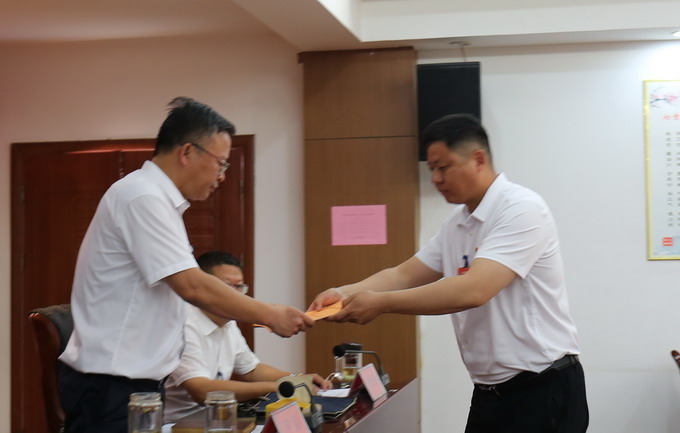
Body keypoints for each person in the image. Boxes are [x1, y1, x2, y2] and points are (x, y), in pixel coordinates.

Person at [309, 114, 589, 432]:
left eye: (443, 167)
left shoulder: (521, 208)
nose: (436, 179)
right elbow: (403, 274)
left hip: (542, 388)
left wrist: (381, 303)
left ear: (478, 159)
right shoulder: (457, 223)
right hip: (490, 394)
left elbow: (474, 290)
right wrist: (345, 292)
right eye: (431, 169)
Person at [58, 97, 314, 433]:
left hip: (134, 383)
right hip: (111, 384)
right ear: (187, 152)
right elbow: (192, 285)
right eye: (221, 163)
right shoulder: (143, 197)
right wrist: (269, 315)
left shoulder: (159, 201)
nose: (222, 175)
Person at [164, 251, 331, 422]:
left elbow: (251, 370)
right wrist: (278, 386)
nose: (235, 295)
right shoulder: (183, 325)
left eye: (239, 287)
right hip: (178, 424)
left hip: (217, 418)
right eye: (226, 286)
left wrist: (298, 379)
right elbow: (202, 391)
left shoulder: (228, 322)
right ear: (207, 287)